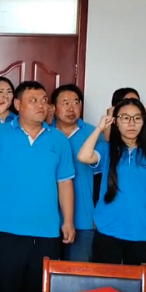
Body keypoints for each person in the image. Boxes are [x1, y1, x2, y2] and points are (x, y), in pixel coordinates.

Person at [0, 81, 75, 292]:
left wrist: (68, 221)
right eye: (33, 100)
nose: (41, 105)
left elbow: (64, 182)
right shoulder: (2, 132)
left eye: (44, 100)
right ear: (17, 105)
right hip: (7, 229)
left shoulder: (58, 139)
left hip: (47, 230)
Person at [78, 98, 146, 266]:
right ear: (116, 122)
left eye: (137, 118)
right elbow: (83, 156)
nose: (131, 123)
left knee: (136, 282)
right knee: (104, 280)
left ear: (144, 122)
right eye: (125, 118)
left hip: (141, 232)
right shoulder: (107, 149)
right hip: (108, 230)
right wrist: (100, 128)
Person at [50, 84, 101, 262]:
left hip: (84, 218)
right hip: (47, 218)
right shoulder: (44, 132)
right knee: (44, 272)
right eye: (65, 103)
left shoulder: (94, 134)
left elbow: (103, 179)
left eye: (76, 102)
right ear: (53, 107)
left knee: (77, 273)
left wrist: (98, 214)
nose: (71, 108)